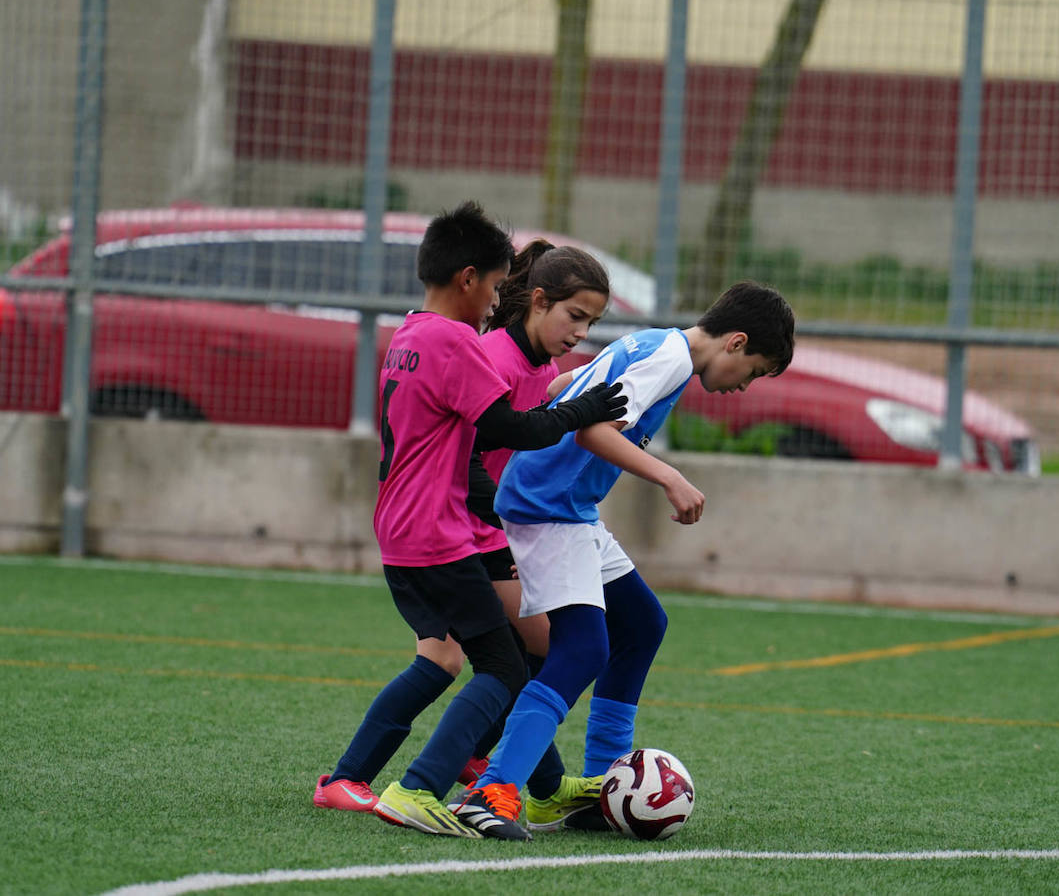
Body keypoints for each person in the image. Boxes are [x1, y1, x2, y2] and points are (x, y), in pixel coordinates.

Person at [313, 201, 626, 841]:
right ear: (468, 278)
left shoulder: (410, 334)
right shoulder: (461, 343)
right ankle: (432, 782)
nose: (496, 298)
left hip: (409, 529)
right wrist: (580, 412)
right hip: (440, 533)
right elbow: (507, 431)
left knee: (463, 659)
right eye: (494, 284)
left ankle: (374, 776)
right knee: (514, 664)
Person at [448, 281, 796, 840]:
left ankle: (601, 788)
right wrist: (669, 476)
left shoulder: (658, 344)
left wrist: (551, 409)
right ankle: (493, 791)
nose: (744, 387)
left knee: (641, 624)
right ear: (735, 342)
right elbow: (592, 431)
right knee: (584, 648)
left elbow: (569, 383)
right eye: (753, 371)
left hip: (569, 506)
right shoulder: (667, 358)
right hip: (547, 506)